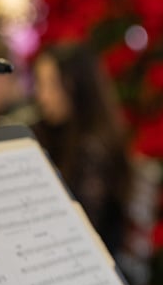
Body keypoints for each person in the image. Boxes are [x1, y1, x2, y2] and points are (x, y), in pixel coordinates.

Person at [31, 42, 132, 259]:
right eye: (39, 84)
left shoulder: (94, 149)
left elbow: (81, 227)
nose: (42, 96)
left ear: (78, 87)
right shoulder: (51, 132)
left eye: (52, 85)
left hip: (91, 263)